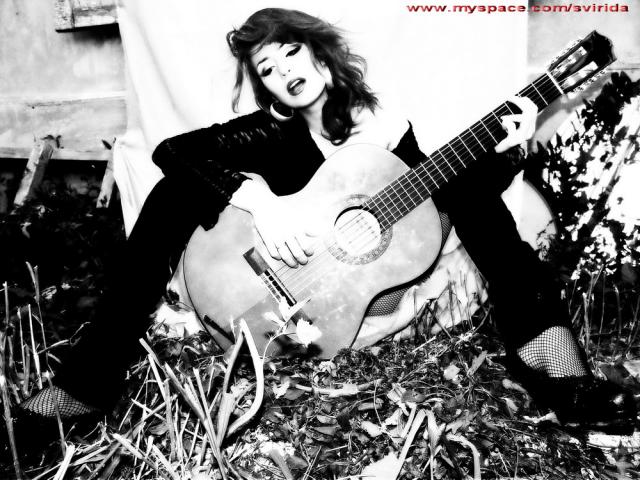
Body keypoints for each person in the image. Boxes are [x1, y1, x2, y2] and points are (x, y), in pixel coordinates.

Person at [5, 8, 637, 455]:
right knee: (175, 191)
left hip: (356, 304)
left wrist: (512, 148)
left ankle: (556, 369)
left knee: (469, 186)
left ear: (320, 52)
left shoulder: (387, 130)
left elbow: (438, 204)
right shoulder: (272, 134)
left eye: (291, 52)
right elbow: (172, 151)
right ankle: (88, 385)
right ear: (265, 88)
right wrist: (262, 202)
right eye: (267, 68)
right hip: (278, 296)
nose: (284, 71)